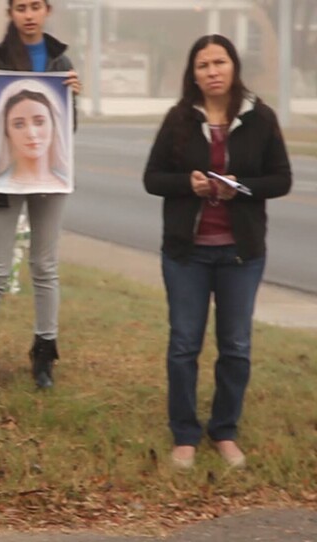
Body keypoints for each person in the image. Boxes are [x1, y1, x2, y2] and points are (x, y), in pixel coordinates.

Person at [143, 35, 291, 470]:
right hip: (186, 253)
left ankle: (225, 430)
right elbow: (152, 178)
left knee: (236, 346)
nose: (212, 71)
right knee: (184, 346)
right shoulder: (178, 119)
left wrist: (239, 189)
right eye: (203, 64)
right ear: (193, 72)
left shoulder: (260, 118)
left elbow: (281, 180)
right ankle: (185, 434)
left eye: (219, 62)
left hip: (240, 254)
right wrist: (185, 183)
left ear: (233, 66)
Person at [0, 0, 81, 392]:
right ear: (10, 13)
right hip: (1, 175)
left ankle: (45, 350)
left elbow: (66, 127)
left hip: (49, 177)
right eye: (20, 7)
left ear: (48, 10)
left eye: (35, 6)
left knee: (45, 266)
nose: (28, 15)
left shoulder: (61, 62)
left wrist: (72, 98)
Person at [0, 81, 71, 193]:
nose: (31, 134)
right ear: (6, 131)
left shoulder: (64, 183)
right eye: (19, 125)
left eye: (39, 122)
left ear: (54, 124)